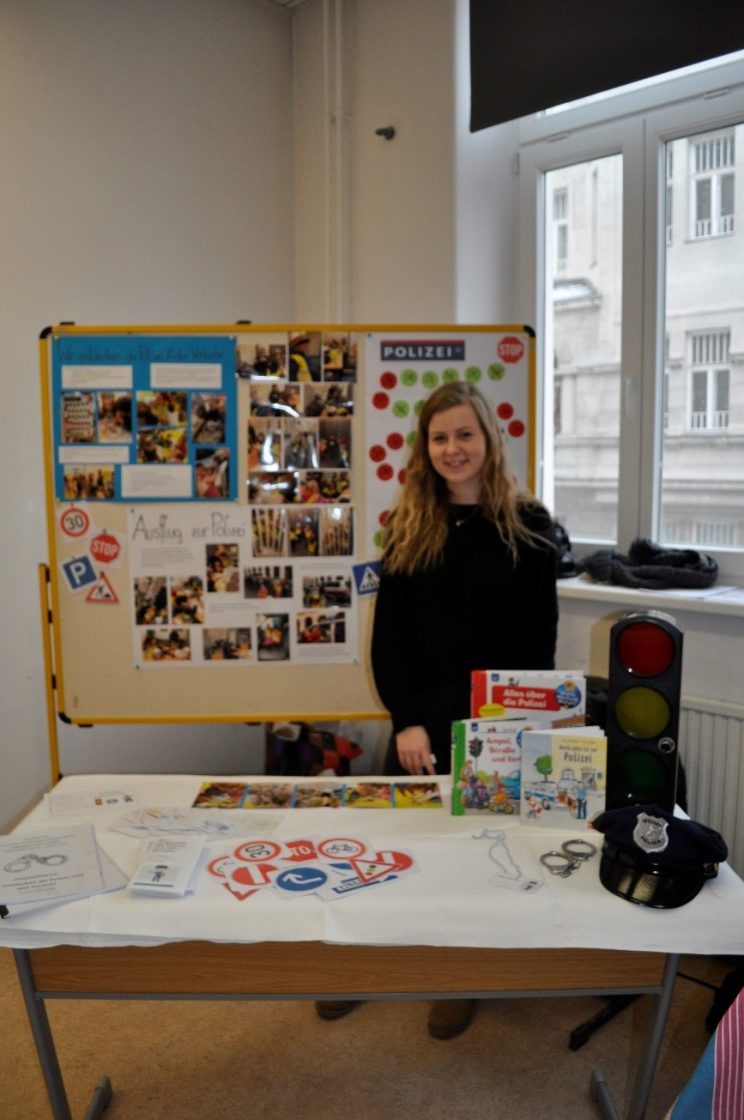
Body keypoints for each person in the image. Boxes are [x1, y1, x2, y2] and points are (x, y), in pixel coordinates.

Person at [315, 380, 558, 1039]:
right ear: (425, 447)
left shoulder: (530, 528)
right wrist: (407, 722)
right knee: (388, 852)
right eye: (440, 437)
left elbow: (537, 645)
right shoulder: (410, 525)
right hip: (419, 724)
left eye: (465, 434)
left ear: (489, 439)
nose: (453, 448)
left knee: (476, 862)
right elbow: (389, 641)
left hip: (492, 727)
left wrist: (504, 733)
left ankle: (460, 977)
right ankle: (366, 968)